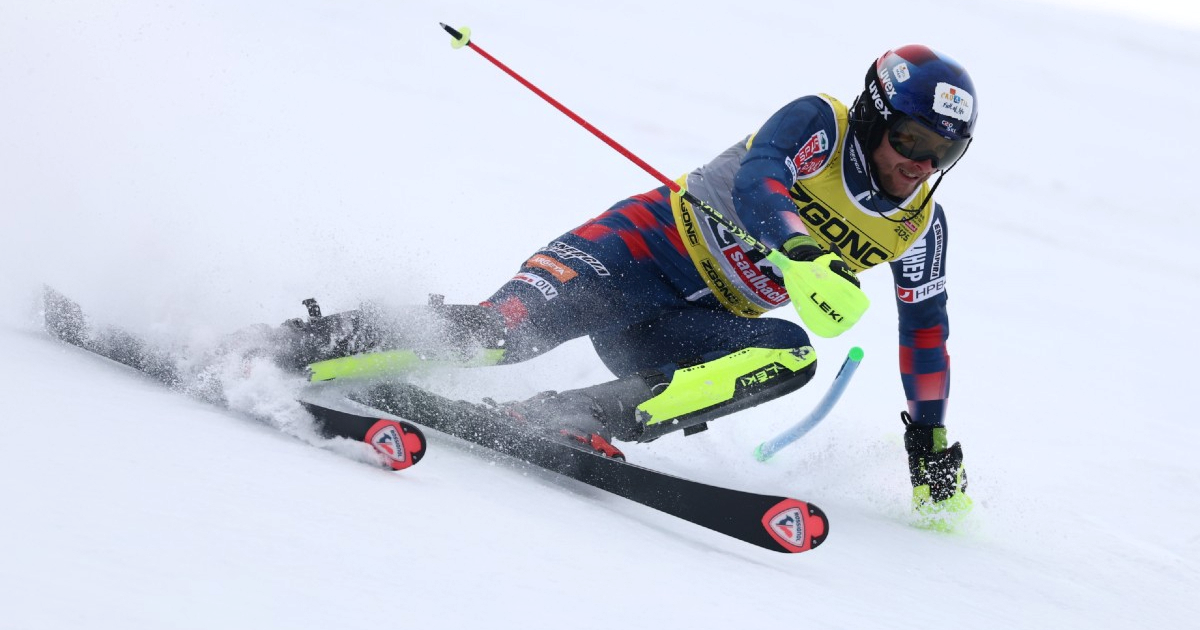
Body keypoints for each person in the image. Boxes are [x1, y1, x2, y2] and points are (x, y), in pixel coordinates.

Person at [284, 44, 976, 523]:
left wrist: (930, 443)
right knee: (501, 337)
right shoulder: (821, 122)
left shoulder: (919, 226)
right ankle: (302, 343)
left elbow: (925, 334)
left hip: (676, 330)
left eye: (942, 152)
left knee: (791, 352)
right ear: (876, 115)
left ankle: (575, 415)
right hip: (634, 253)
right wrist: (798, 249)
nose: (920, 164)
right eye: (911, 140)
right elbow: (760, 176)